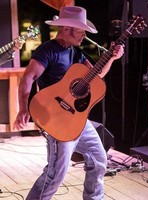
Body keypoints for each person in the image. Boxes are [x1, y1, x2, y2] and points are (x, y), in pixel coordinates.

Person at [14, 6, 124, 200]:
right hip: (57, 121)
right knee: (56, 174)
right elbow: (28, 78)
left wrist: (112, 58)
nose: (83, 37)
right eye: (80, 32)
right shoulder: (47, 50)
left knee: (99, 159)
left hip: (77, 120)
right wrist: (23, 108)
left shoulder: (75, 53)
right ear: (66, 29)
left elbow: (95, 76)